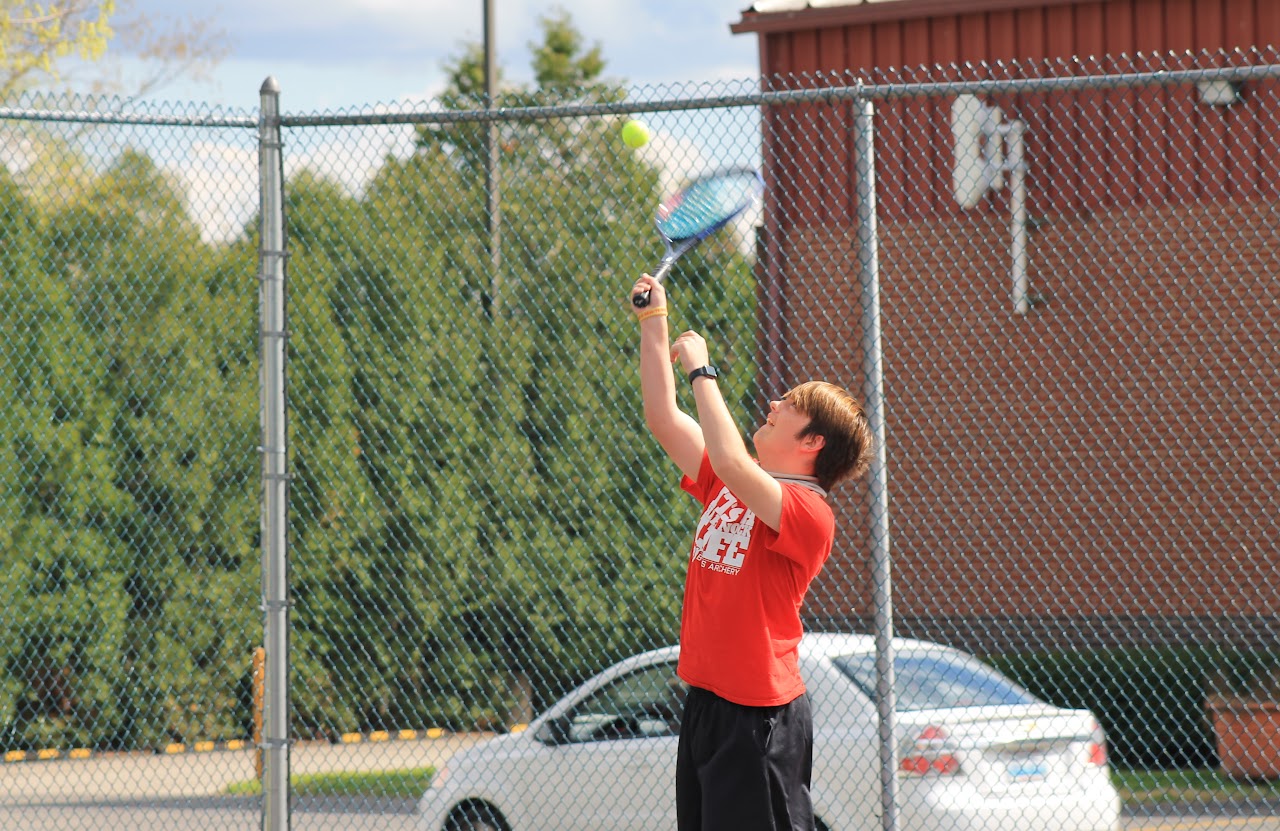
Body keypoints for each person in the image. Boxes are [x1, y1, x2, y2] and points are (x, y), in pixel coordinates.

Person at [631, 273, 874, 831]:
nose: (772, 401)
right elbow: (664, 420)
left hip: (758, 717)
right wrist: (653, 323)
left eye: (788, 404)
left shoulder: (810, 512)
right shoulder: (732, 483)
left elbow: (734, 460)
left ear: (812, 442)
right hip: (708, 706)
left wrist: (701, 369)